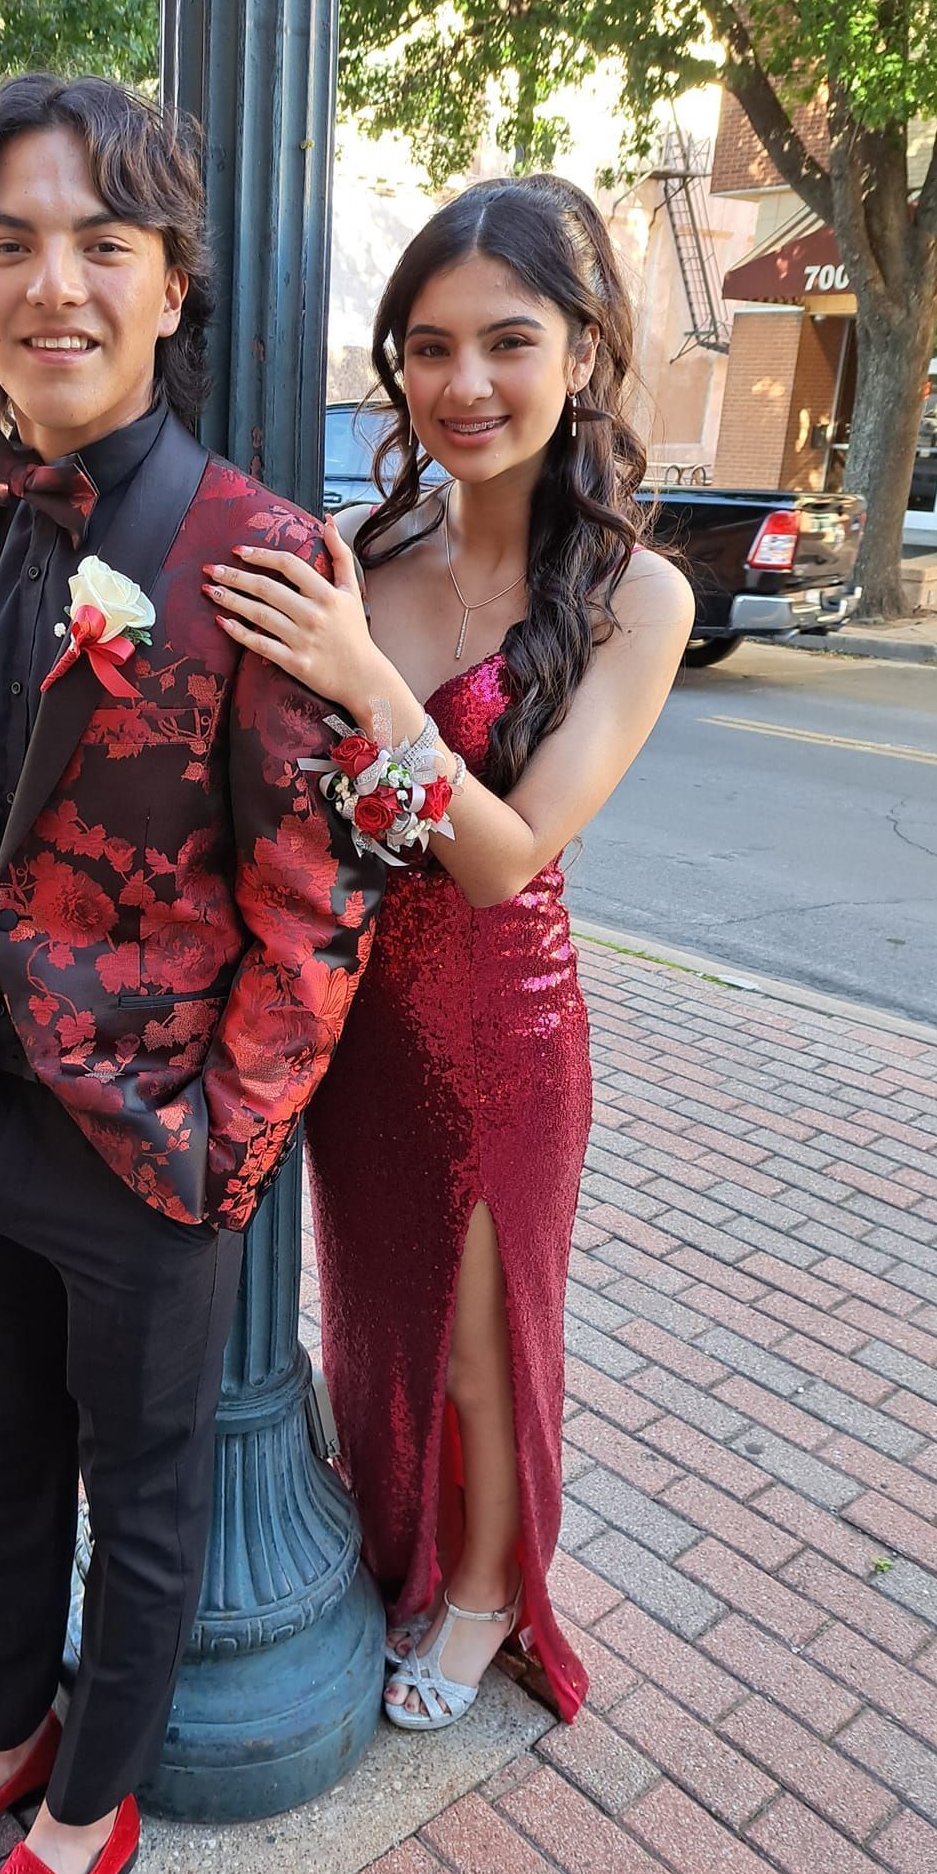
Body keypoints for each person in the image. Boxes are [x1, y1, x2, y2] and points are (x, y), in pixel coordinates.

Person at [0, 74, 381, 1874]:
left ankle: (87, 1820)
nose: (49, 282)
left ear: (170, 284)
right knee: (0, 1456)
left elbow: (319, 904)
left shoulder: (257, 549)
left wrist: (223, 1146)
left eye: (99, 243)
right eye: (6, 244)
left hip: (151, 1152)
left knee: (148, 1504)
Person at [206, 175, 692, 1730]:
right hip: (354, 1023)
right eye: (428, 347)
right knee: (377, 1319)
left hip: (503, 1026)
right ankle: (400, 1547)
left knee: (487, 1341)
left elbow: (502, 856)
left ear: (584, 351)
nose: (464, 385)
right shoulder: (364, 543)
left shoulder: (638, 595)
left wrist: (364, 676)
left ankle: (484, 1594)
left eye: (507, 342)